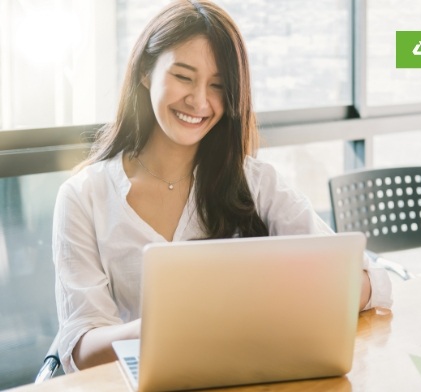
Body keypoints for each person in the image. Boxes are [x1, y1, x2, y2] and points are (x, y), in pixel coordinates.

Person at [52, 0, 393, 374]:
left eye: (218, 86)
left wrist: (270, 304)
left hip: (248, 377)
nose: (199, 101)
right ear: (146, 72)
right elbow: (81, 347)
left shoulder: (257, 183)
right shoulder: (84, 196)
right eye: (183, 77)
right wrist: (175, 326)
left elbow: (371, 280)